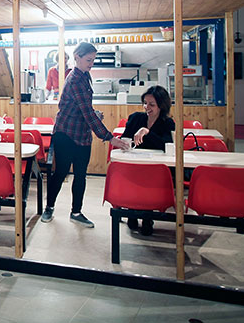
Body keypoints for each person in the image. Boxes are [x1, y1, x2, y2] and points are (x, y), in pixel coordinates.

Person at [41, 42, 128, 228]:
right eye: (89, 60)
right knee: (61, 172)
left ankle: (76, 212)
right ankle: (49, 207)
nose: (92, 63)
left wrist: (94, 114)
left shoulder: (85, 75)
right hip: (65, 133)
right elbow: (86, 113)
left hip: (82, 135)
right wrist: (110, 137)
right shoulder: (74, 80)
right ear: (77, 58)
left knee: (80, 175)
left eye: (93, 60)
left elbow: (85, 109)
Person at [119, 85, 175, 235]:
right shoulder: (136, 118)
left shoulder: (167, 123)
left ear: (161, 106)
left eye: (152, 104)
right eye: (145, 103)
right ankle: (132, 211)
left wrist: (147, 132)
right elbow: (125, 138)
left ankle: (147, 217)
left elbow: (167, 146)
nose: (146, 107)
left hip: (156, 168)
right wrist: (123, 143)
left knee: (149, 180)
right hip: (136, 164)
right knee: (132, 177)